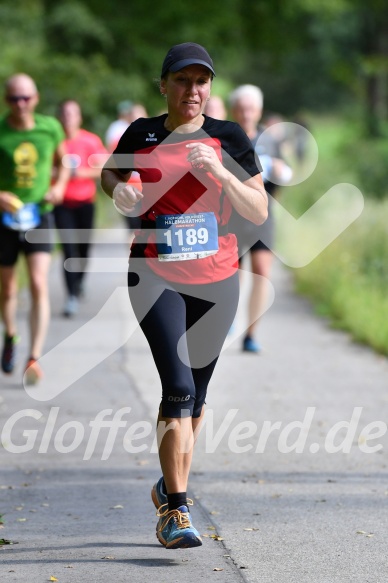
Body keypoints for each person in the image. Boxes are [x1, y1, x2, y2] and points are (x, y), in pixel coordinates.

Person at [101, 43, 267, 549]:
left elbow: (258, 210)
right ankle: (176, 509)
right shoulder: (143, 133)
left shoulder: (228, 137)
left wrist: (219, 171)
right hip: (154, 275)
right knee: (177, 387)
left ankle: (167, 484)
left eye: (201, 81)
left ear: (210, 88)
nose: (192, 90)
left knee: (196, 398)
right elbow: (110, 171)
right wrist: (120, 190)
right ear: (164, 85)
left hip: (217, 281)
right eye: (181, 80)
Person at [0, 73, 68, 384]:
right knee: (8, 288)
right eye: (14, 98)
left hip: (40, 214)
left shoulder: (50, 128)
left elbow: (64, 162)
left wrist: (59, 186)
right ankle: (11, 336)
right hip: (5, 219)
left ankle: (34, 356)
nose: (21, 104)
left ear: (36, 98)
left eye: (26, 98)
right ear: (6, 100)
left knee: (39, 283)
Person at [229, 84, 292, 353]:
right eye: (242, 108)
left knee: (262, 272)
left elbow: (284, 175)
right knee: (230, 274)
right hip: (230, 214)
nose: (246, 113)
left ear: (259, 110)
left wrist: (280, 171)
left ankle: (251, 334)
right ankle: (228, 318)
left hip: (261, 214)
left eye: (251, 108)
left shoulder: (270, 140)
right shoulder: (224, 138)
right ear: (234, 110)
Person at [54, 100, 108, 317]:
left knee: (83, 250)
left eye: (72, 114)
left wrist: (78, 174)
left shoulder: (90, 141)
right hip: (62, 204)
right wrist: (58, 175)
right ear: (60, 117)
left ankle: (79, 282)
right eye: (65, 114)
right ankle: (71, 297)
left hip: (86, 202)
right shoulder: (55, 142)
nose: (68, 118)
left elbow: (104, 169)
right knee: (68, 250)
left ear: (79, 117)